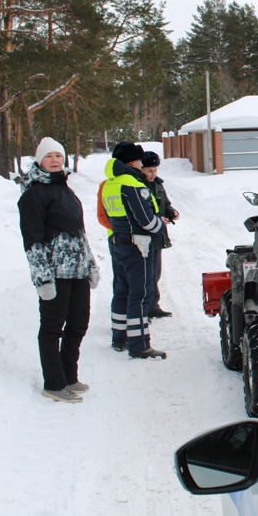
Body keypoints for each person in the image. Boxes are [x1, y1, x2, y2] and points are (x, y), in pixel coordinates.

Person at [18, 137, 100, 403]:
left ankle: (69, 376)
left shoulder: (65, 188)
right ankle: (54, 383)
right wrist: (42, 278)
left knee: (79, 323)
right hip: (54, 273)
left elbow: (79, 233)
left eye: (59, 156)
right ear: (39, 159)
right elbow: (32, 241)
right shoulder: (33, 193)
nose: (55, 160)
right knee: (53, 327)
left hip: (77, 271)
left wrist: (91, 265)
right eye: (49, 156)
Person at [101, 141, 167, 359]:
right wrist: (160, 226)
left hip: (118, 242)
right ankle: (139, 345)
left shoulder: (110, 183)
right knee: (139, 295)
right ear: (131, 161)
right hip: (138, 245)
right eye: (139, 159)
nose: (142, 163)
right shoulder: (132, 184)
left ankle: (119, 336)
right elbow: (146, 219)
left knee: (122, 291)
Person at [141, 151, 178, 318]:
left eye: (155, 170)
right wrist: (157, 219)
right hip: (143, 236)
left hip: (157, 236)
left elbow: (165, 204)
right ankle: (144, 306)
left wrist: (171, 212)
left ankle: (153, 304)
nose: (153, 173)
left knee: (155, 273)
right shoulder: (138, 186)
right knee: (144, 274)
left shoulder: (157, 185)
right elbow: (142, 212)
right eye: (149, 170)